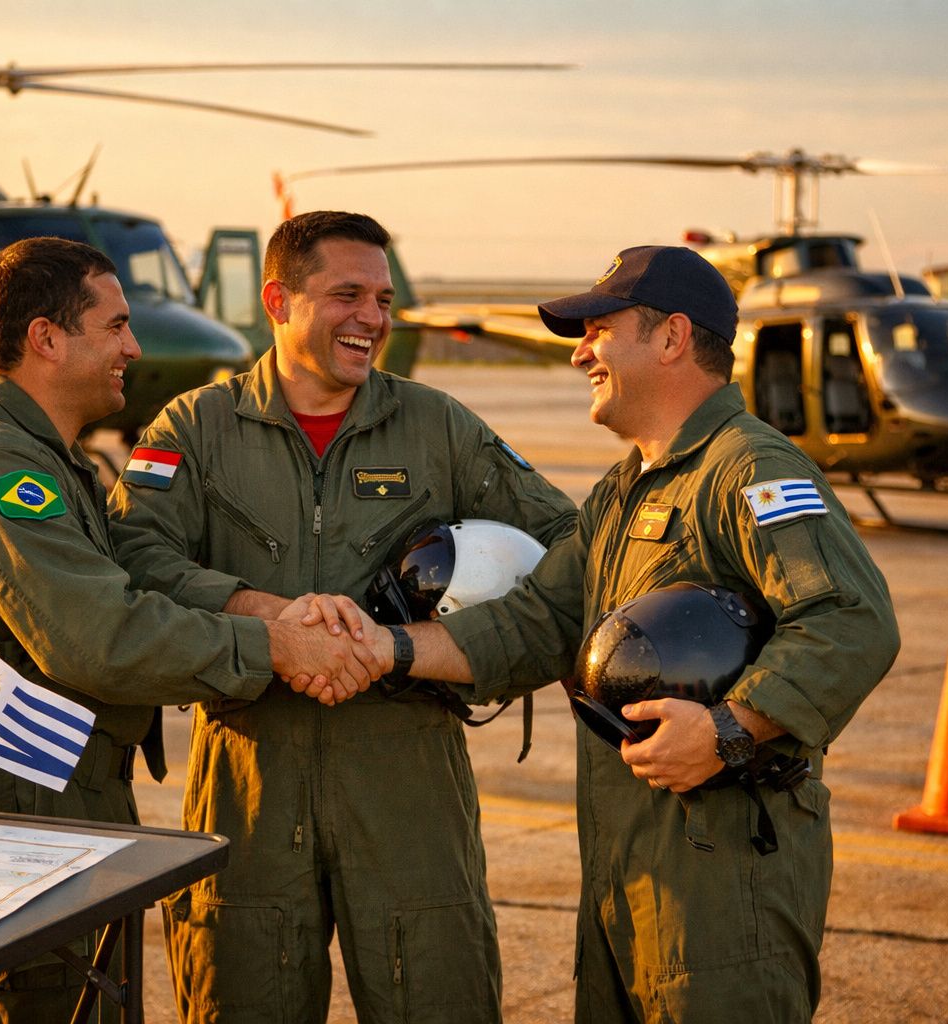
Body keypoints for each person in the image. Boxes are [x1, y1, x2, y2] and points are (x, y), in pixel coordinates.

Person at [364, 245, 900, 1022]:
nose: (580, 351)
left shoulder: (747, 469)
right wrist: (384, 649)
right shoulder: (625, 488)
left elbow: (852, 620)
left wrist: (729, 728)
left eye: (599, 329)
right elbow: (538, 620)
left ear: (673, 337)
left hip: (721, 880)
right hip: (628, 872)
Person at [0, 235, 380, 1023]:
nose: (134, 346)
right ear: (46, 339)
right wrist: (283, 647)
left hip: (59, 793)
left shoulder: (53, 460)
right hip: (16, 806)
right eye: (115, 326)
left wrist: (272, 611)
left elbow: (141, 579)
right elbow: (99, 633)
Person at [107, 211, 577, 1023]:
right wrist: (274, 623)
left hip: (409, 781)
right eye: (347, 294)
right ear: (279, 301)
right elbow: (133, 558)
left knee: (438, 996)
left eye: (385, 299)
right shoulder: (194, 429)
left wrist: (409, 647)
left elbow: (567, 547)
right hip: (248, 780)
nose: (373, 319)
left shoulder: (439, 426)